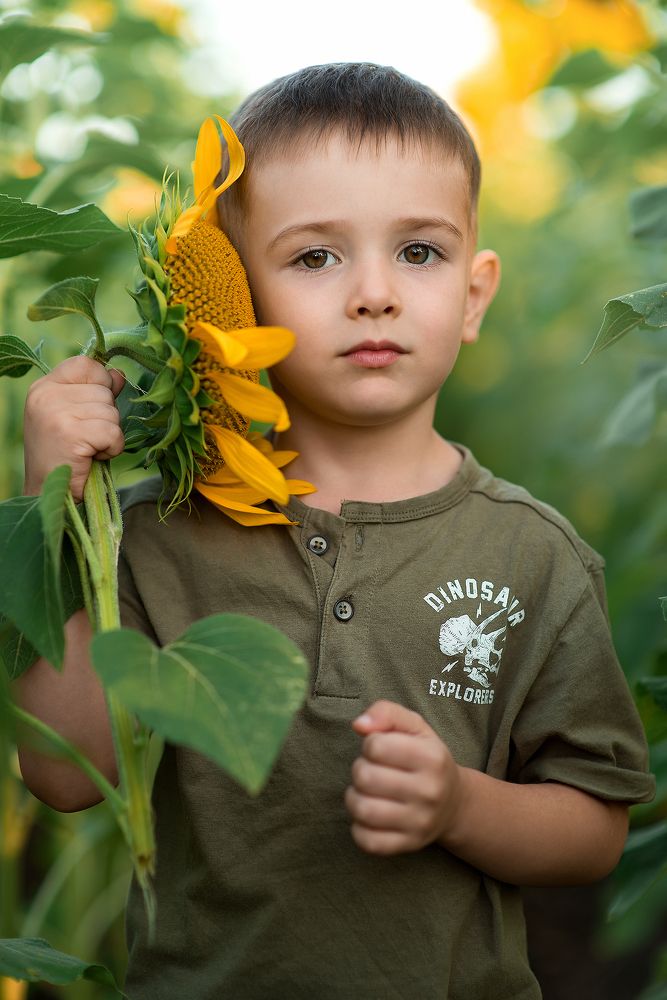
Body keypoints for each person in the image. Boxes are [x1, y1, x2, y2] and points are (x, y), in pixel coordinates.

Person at [15, 63, 654, 999]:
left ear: (474, 296)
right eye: (315, 257)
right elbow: (65, 773)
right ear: (229, 299)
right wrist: (51, 502)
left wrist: (457, 804)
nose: (372, 294)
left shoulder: (531, 556)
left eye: (419, 253)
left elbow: (592, 831)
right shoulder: (161, 530)